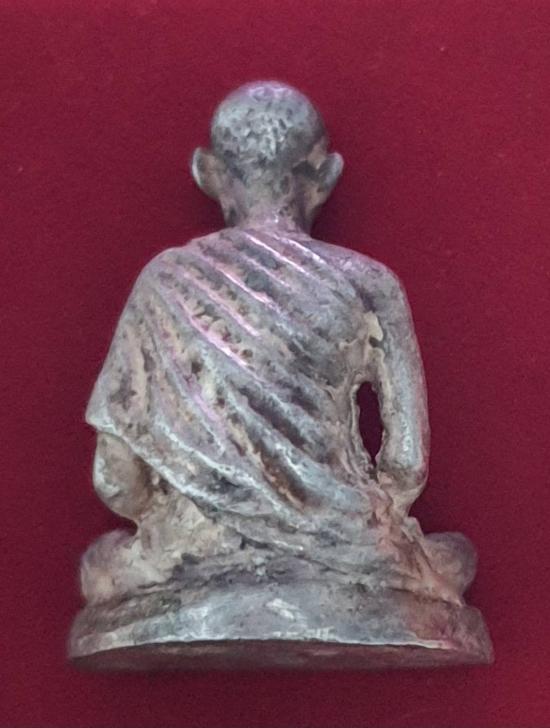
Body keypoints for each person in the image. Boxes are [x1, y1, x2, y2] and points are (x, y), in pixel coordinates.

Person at [81, 81, 474, 608]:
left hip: (190, 547)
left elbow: (117, 479)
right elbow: (407, 466)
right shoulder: (370, 284)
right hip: (349, 544)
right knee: (453, 560)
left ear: (207, 172)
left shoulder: (164, 281)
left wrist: (183, 507)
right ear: (327, 175)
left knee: (101, 566)